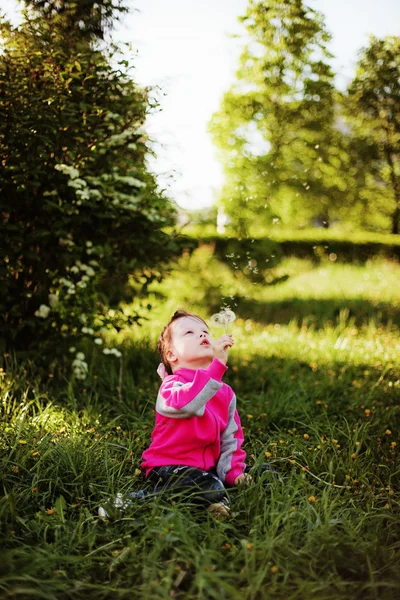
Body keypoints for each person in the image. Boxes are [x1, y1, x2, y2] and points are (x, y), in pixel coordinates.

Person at [140, 309, 251, 517]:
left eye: (205, 331)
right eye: (189, 333)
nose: (202, 335)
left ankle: (213, 500)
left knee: (260, 474)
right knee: (208, 483)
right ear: (171, 355)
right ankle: (135, 501)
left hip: (204, 469)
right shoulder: (171, 386)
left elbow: (231, 438)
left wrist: (234, 471)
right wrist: (217, 367)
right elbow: (188, 404)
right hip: (167, 466)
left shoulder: (224, 392)